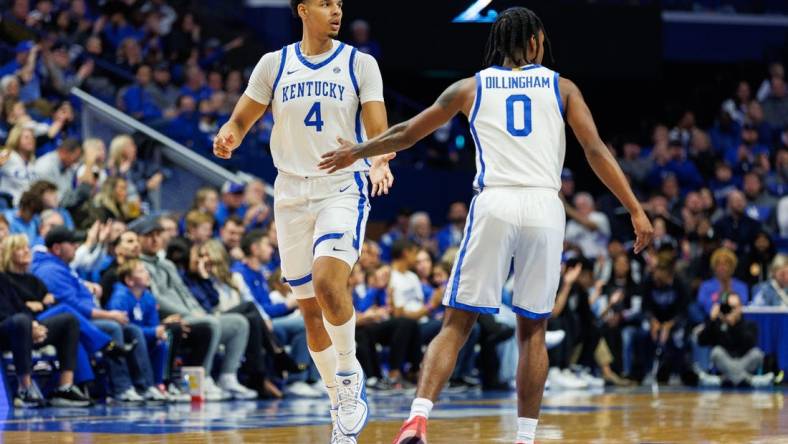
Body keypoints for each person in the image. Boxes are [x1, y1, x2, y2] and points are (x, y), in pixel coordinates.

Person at [318, 8, 654, 444]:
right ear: (535, 42)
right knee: (532, 330)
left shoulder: (470, 87)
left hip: (494, 201)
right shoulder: (562, 87)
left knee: (457, 323)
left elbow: (407, 133)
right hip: (544, 207)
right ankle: (525, 438)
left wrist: (358, 151)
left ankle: (417, 419)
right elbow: (596, 152)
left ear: (498, 41)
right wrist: (634, 208)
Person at [212, 0, 395, 441]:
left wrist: (379, 162)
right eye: (326, 3)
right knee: (311, 309)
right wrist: (230, 133)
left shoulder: (359, 63)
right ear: (302, 9)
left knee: (330, 281)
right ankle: (338, 408)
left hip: (340, 186)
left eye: (339, 4)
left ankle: (350, 376)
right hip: (290, 191)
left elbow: (378, 128)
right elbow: (243, 115)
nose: (336, 10)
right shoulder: (274, 65)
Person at [696, 292, 773, 387]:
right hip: (725, 361)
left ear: (740, 307)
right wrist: (711, 320)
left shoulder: (750, 325)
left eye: (734, 307)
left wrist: (734, 325)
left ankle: (721, 380)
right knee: (716, 352)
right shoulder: (717, 324)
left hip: (745, 361)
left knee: (756, 354)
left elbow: (749, 344)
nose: (732, 310)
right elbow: (702, 341)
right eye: (729, 307)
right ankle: (751, 380)